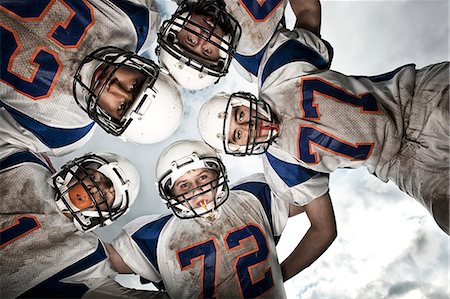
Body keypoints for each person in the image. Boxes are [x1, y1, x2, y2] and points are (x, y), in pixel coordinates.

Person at [197, 59, 449, 235]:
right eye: (238, 134)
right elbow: (323, 229)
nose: (249, 126)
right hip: (399, 164)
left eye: (240, 115)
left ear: (243, 100)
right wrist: (275, 279)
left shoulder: (278, 71)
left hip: (414, 96)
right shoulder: (281, 169)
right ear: (238, 148)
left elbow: (308, 10)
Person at [107, 139, 336, 297]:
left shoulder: (252, 196)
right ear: (171, 194)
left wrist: (281, 273)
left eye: (203, 177)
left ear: (219, 174)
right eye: (184, 185)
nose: (196, 189)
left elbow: (314, 206)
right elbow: (91, 260)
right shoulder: (154, 236)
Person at [0, 0, 183, 160]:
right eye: (134, 85)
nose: (115, 88)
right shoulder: (135, 19)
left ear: (110, 121)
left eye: (121, 106)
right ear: (146, 69)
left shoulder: (64, 132)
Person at [0, 147, 169, 298]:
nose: (94, 189)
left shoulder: (88, 255)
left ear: (106, 213)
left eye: (106, 195)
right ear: (78, 169)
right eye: (94, 178)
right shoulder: (26, 165)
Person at [157, 0, 332, 89]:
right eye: (207, 51)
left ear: (176, 28)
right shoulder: (255, 55)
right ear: (222, 56)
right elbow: (307, 11)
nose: (204, 37)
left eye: (191, 40)